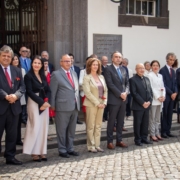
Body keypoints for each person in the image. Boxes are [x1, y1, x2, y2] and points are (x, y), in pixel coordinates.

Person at [50, 54, 80, 158]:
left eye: (69, 61)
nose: (68, 63)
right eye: (65, 61)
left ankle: (70, 148)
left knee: (71, 130)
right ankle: (62, 150)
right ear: (61, 62)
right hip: (62, 107)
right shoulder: (56, 74)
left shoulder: (74, 73)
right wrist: (52, 106)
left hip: (74, 106)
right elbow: (53, 92)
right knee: (62, 130)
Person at [0, 45, 25, 165]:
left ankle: (10, 157)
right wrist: (5, 96)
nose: (6, 58)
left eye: (8, 56)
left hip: (14, 108)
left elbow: (22, 87)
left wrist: (16, 95)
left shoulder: (16, 70)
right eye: (4, 56)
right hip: (1, 107)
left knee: (12, 134)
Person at [23, 56, 51, 162]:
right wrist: (41, 102)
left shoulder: (43, 75)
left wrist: (46, 101)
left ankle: (41, 151)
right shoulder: (28, 76)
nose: (37, 65)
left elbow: (48, 89)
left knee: (43, 128)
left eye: (39, 63)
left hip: (44, 103)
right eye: (35, 62)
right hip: (34, 102)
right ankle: (34, 152)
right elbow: (29, 91)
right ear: (32, 64)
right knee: (34, 127)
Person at [104, 51, 129, 149]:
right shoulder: (108, 69)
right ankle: (109, 141)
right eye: (116, 57)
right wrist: (120, 94)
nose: (118, 58)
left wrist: (126, 93)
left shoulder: (123, 69)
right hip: (114, 99)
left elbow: (127, 83)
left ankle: (119, 140)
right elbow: (110, 84)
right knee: (111, 121)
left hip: (123, 99)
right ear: (112, 58)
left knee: (120, 121)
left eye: (120, 57)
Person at [83, 58, 108, 152]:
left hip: (101, 104)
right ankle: (91, 146)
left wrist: (104, 102)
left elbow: (106, 91)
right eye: (93, 64)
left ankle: (97, 145)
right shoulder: (87, 78)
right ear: (89, 66)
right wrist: (97, 103)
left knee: (98, 125)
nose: (95, 66)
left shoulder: (101, 77)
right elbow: (87, 93)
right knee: (91, 125)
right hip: (91, 104)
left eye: (97, 65)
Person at [129, 63, 153, 146]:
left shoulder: (147, 79)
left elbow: (150, 91)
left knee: (145, 123)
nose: (142, 70)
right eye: (140, 68)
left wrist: (149, 101)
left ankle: (144, 138)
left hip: (147, 105)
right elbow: (134, 93)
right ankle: (138, 139)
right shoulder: (132, 79)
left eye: (143, 68)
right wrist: (143, 103)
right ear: (136, 69)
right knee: (138, 123)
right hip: (138, 106)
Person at [159, 53, 177, 138]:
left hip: (173, 97)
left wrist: (176, 92)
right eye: (170, 59)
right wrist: (171, 93)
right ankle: (163, 131)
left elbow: (175, 83)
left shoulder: (173, 71)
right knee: (165, 114)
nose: (172, 61)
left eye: (173, 60)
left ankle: (168, 130)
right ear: (167, 60)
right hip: (166, 95)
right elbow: (163, 84)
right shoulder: (163, 70)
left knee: (170, 114)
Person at [147, 60, 165, 142]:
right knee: (152, 118)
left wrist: (163, 96)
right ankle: (152, 134)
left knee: (158, 118)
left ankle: (158, 133)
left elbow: (163, 87)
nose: (155, 67)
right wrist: (158, 97)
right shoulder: (149, 75)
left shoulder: (160, 76)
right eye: (153, 65)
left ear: (159, 66)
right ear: (151, 66)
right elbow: (151, 88)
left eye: (157, 65)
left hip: (160, 100)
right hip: (154, 100)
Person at [11, 54, 26, 146]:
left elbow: (23, 84)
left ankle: (18, 138)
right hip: (9, 98)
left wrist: (17, 95)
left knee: (18, 120)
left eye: (17, 59)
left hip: (20, 97)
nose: (16, 61)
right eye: (14, 59)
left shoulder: (22, 70)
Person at [69, 53, 83, 124]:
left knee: (76, 104)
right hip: (69, 90)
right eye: (69, 58)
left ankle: (76, 119)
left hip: (76, 90)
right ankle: (70, 119)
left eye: (72, 58)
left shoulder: (77, 69)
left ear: (73, 60)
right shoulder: (66, 69)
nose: (71, 60)